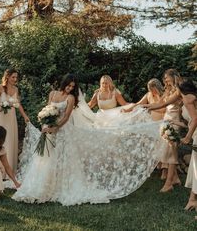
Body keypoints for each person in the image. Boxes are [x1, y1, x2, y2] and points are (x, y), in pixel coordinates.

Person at [12, 73, 163, 206]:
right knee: (48, 157)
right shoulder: (52, 94)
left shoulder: (71, 98)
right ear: (63, 83)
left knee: (64, 157)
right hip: (49, 129)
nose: (70, 88)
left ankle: (61, 185)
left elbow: (65, 117)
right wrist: (46, 123)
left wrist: (55, 127)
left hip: (63, 130)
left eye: (72, 86)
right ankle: (44, 185)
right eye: (68, 85)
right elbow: (47, 110)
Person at [143, 69, 182, 192]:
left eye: (166, 77)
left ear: (173, 77)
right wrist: (144, 106)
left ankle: (169, 183)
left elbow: (162, 105)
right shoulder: (168, 90)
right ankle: (175, 178)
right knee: (168, 152)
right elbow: (159, 102)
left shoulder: (178, 90)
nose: (165, 80)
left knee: (171, 153)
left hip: (174, 122)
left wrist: (145, 106)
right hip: (166, 121)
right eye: (164, 78)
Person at [0, 69, 30, 173]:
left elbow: (18, 104)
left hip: (11, 119)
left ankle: (9, 170)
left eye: (16, 77)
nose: (15, 79)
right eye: (13, 77)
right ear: (7, 77)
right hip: (1, 119)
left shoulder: (16, 89)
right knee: (1, 141)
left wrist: (25, 116)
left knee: (10, 141)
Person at [176, 78, 197, 212]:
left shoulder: (187, 99)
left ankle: (193, 200)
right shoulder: (193, 97)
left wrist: (188, 136)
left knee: (196, 168)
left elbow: (195, 118)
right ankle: (193, 199)